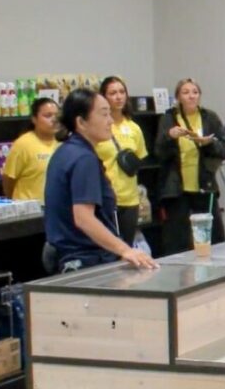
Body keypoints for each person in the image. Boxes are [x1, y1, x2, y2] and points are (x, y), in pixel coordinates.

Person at [44, 88, 156, 271]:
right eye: (104, 114)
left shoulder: (65, 151)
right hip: (84, 259)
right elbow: (83, 217)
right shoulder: (83, 158)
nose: (110, 120)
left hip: (65, 254)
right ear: (81, 122)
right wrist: (125, 250)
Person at [154, 78, 225, 255]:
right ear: (178, 97)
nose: (191, 96)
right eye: (186, 92)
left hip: (205, 185)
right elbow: (159, 152)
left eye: (195, 92)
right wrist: (170, 137)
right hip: (177, 188)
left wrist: (208, 143)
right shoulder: (168, 118)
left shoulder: (209, 117)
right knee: (177, 239)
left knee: (213, 236)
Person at [95, 76, 148, 246]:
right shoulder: (97, 127)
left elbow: (139, 159)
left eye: (122, 92)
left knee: (127, 247)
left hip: (130, 199)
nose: (118, 97)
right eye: (112, 93)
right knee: (108, 249)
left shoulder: (134, 128)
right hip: (106, 199)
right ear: (103, 97)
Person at [2, 97, 59, 203]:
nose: (54, 119)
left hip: (56, 208)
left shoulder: (64, 143)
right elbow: (8, 179)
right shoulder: (22, 144)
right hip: (29, 210)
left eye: (57, 115)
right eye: (48, 116)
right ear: (34, 119)